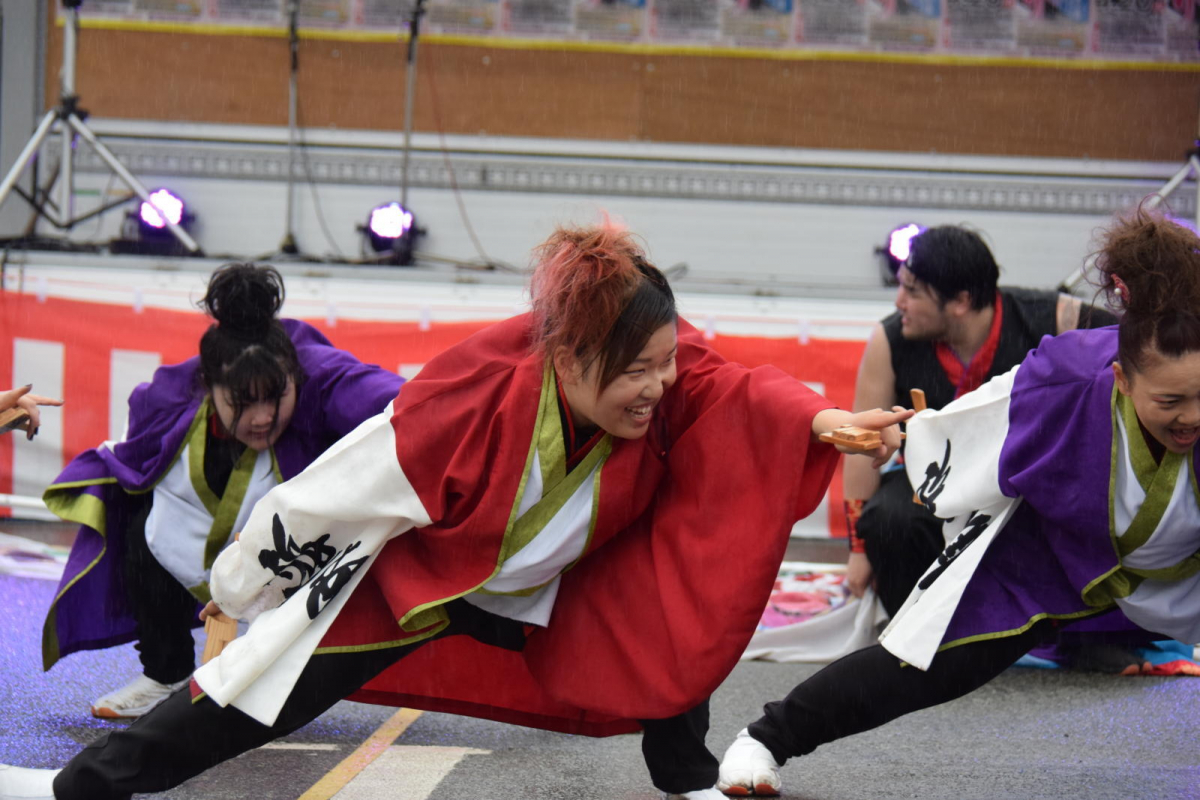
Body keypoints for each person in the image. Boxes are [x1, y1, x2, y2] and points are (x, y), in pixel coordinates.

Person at [0, 223, 909, 800]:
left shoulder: (664, 380)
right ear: (573, 354)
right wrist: (239, 590)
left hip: (553, 586)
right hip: (420, 578)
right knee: (256, 693)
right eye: (639, 369)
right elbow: (336, 488)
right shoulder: (469, 398)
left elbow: (737, 385)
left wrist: (825, 419)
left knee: (672, 614)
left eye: (666, 362)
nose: (660, 385)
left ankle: (689, 783)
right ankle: (81, 789)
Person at [717, 209, 1200, 797]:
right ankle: (764, 739)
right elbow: (978, 417)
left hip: (1182, 568)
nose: (1190, 416)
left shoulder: (1048, 314)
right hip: (1049, 553)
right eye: (1171, 399)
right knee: (923, 659)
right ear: (1122, 378)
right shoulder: (1068, 377)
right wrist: (907, 436)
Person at [39, 264, 404, 720]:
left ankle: (272, 677)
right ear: (209, 390)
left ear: (294, 377)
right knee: (136, 527)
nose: (262, 417)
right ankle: (165, 673)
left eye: (275, 396)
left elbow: (410, 401)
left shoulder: (323, 376)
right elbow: (135, 446)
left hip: (301, 548)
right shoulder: (173, 395)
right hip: (200, 534)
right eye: (243, 402)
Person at [845, 225, 1115, 617]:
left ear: (961, 301)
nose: (899, 301)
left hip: (1024, 481)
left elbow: (1141, 358)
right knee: (888, 521)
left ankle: (1076, 636)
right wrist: (857, 550)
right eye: (900, 286)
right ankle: (918, 636)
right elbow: (859, 445)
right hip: (934, 479)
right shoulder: (890, 340)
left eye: (913, 291)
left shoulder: (1055, 318)